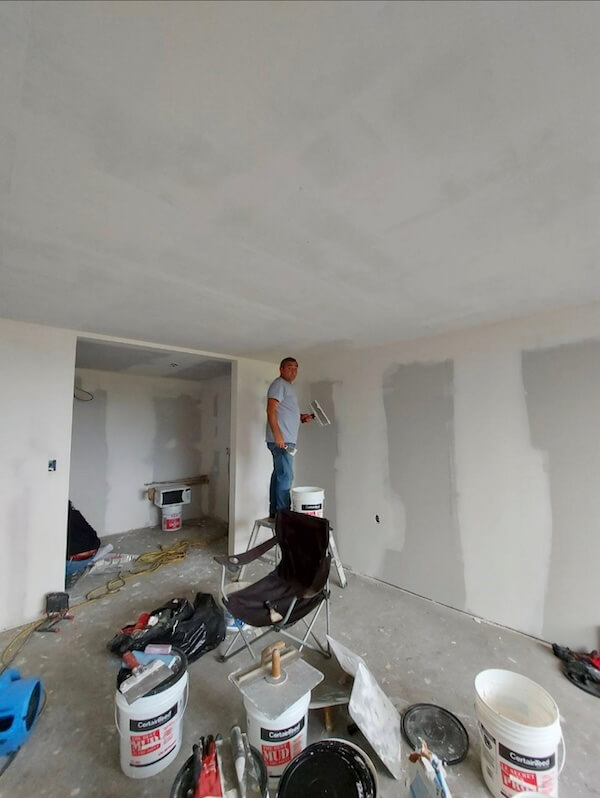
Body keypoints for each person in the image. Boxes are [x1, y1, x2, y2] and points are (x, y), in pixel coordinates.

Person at [266, 357, 313, 519]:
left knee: (279, 474)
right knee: (286, 476)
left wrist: (300, 417)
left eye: (296, 368)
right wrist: (278, 435)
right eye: (290, 367)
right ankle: (283, 515)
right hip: (282, 440)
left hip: (284, 439)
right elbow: (271, 410)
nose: (294, 371)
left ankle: (275, 512)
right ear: (281, 369)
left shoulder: (288, 387)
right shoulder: (279, 384)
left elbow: (284, 412)